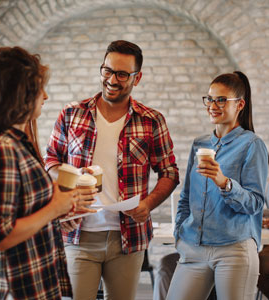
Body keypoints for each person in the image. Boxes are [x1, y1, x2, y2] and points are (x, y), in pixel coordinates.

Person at [45, 40, 179, 300]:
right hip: (77, 233)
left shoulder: (152, 121)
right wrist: (72, 177)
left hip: (127, 238)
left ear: (136, 78)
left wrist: (148, 204)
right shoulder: (71, 114)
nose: (112, 80)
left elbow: (170, 172)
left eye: (122, 74)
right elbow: (49, 160)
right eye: (107, 70)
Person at [0, 46, 97, 300]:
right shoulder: (2, 149)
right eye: (40, 88)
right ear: (21, 93)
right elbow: (1, 235)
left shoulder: (15, 143)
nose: (46, 96)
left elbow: (21, 213)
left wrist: (60, 214)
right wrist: (56, 208)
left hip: (31, 283)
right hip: (11, 289)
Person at [167, 71, 268, 300]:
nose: (213, 105)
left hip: (234, 250)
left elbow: (256, 204)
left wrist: (225, 183)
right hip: (193, 248)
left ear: (240, 104)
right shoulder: (199, 144)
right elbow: (186, 197)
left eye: (221, 100)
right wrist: (180, 234)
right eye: (210, 99)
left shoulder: (252, 145)